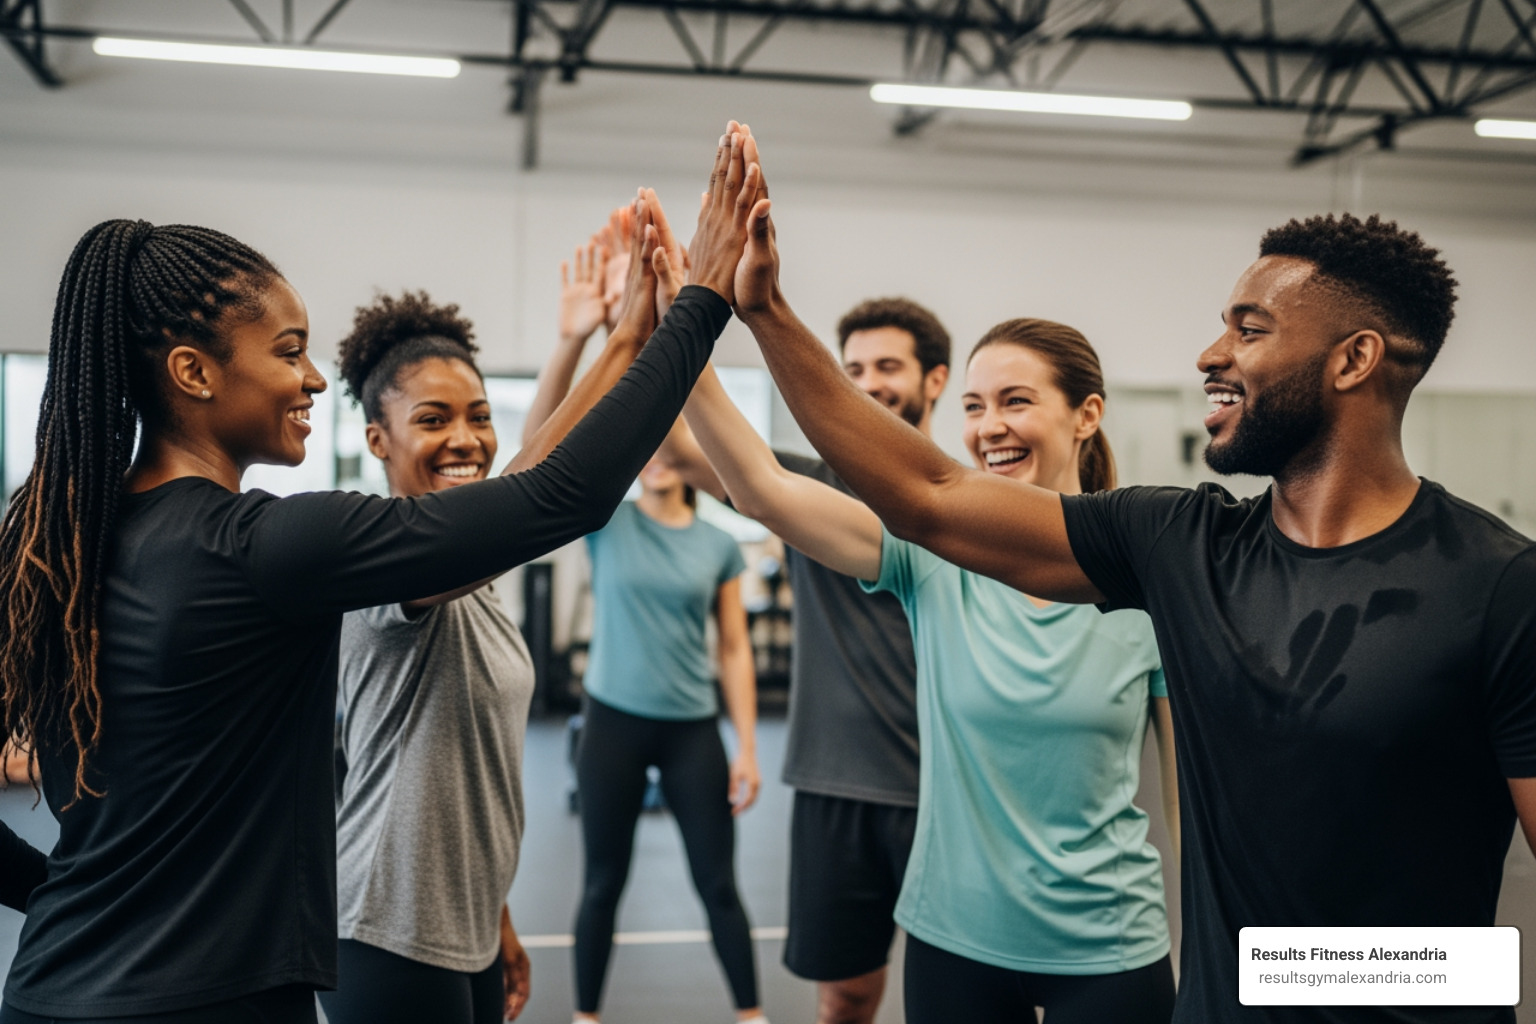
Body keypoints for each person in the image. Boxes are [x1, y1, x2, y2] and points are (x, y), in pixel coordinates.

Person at [728, 152, 1536, 1024]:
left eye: (1250, 330)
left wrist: (1323, 971)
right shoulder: (1181, 545)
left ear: (1355, 360)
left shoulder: (1498, 586)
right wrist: (762, 312)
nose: (1211, 353)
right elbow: (933, 496)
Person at [0, 128, 767, 1023]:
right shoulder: (266, 547)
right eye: (288, 352)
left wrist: (62, 892)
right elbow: (561, 495)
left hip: (52, 986)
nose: (316, 379)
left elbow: (522, 483)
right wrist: (703, 301)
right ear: (192, 372)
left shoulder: (64, 545)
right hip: (209, 1000)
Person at [668, 312, 1178, 1020]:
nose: (989, 425)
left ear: (1086, 414)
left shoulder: (1152, 581)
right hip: (955, 942)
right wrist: (687, 317)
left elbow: (1188, 813)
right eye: (975, 406)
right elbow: (761, 489)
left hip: (1109, 946)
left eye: (1015, 401)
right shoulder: (934, 554)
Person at [659, 295, 945, 1024]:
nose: (868, 383)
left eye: (888, 366)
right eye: (852, 370)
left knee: (976, 992)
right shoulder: (795, 485)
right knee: (845, 995)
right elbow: (679, 451)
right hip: (836, 785)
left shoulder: (966, 501)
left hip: (951, 787)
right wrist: (651, 325)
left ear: (934, 381)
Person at [524, 215, 767, 1024]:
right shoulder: (607, 523)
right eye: (647, 442)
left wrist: (746, 747)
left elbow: (733, 648)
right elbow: (544, 451)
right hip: (614, 725)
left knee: (718, 887)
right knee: (600, 884)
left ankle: (750, 1014)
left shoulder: (715, 546)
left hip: (693, 729)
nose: (657, 452)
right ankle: (587, 1015)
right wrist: (578, 341)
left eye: (671, 440)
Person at [319, 292, 534, 1024]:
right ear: (379, 440)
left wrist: (495, 916)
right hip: (387, 926)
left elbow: (467, 772)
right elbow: (544, 487)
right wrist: (632, 333)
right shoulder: (386, 566)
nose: (467, 438)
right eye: (432, 419)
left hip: (464, 925)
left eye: (479, 415)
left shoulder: (478, 579)